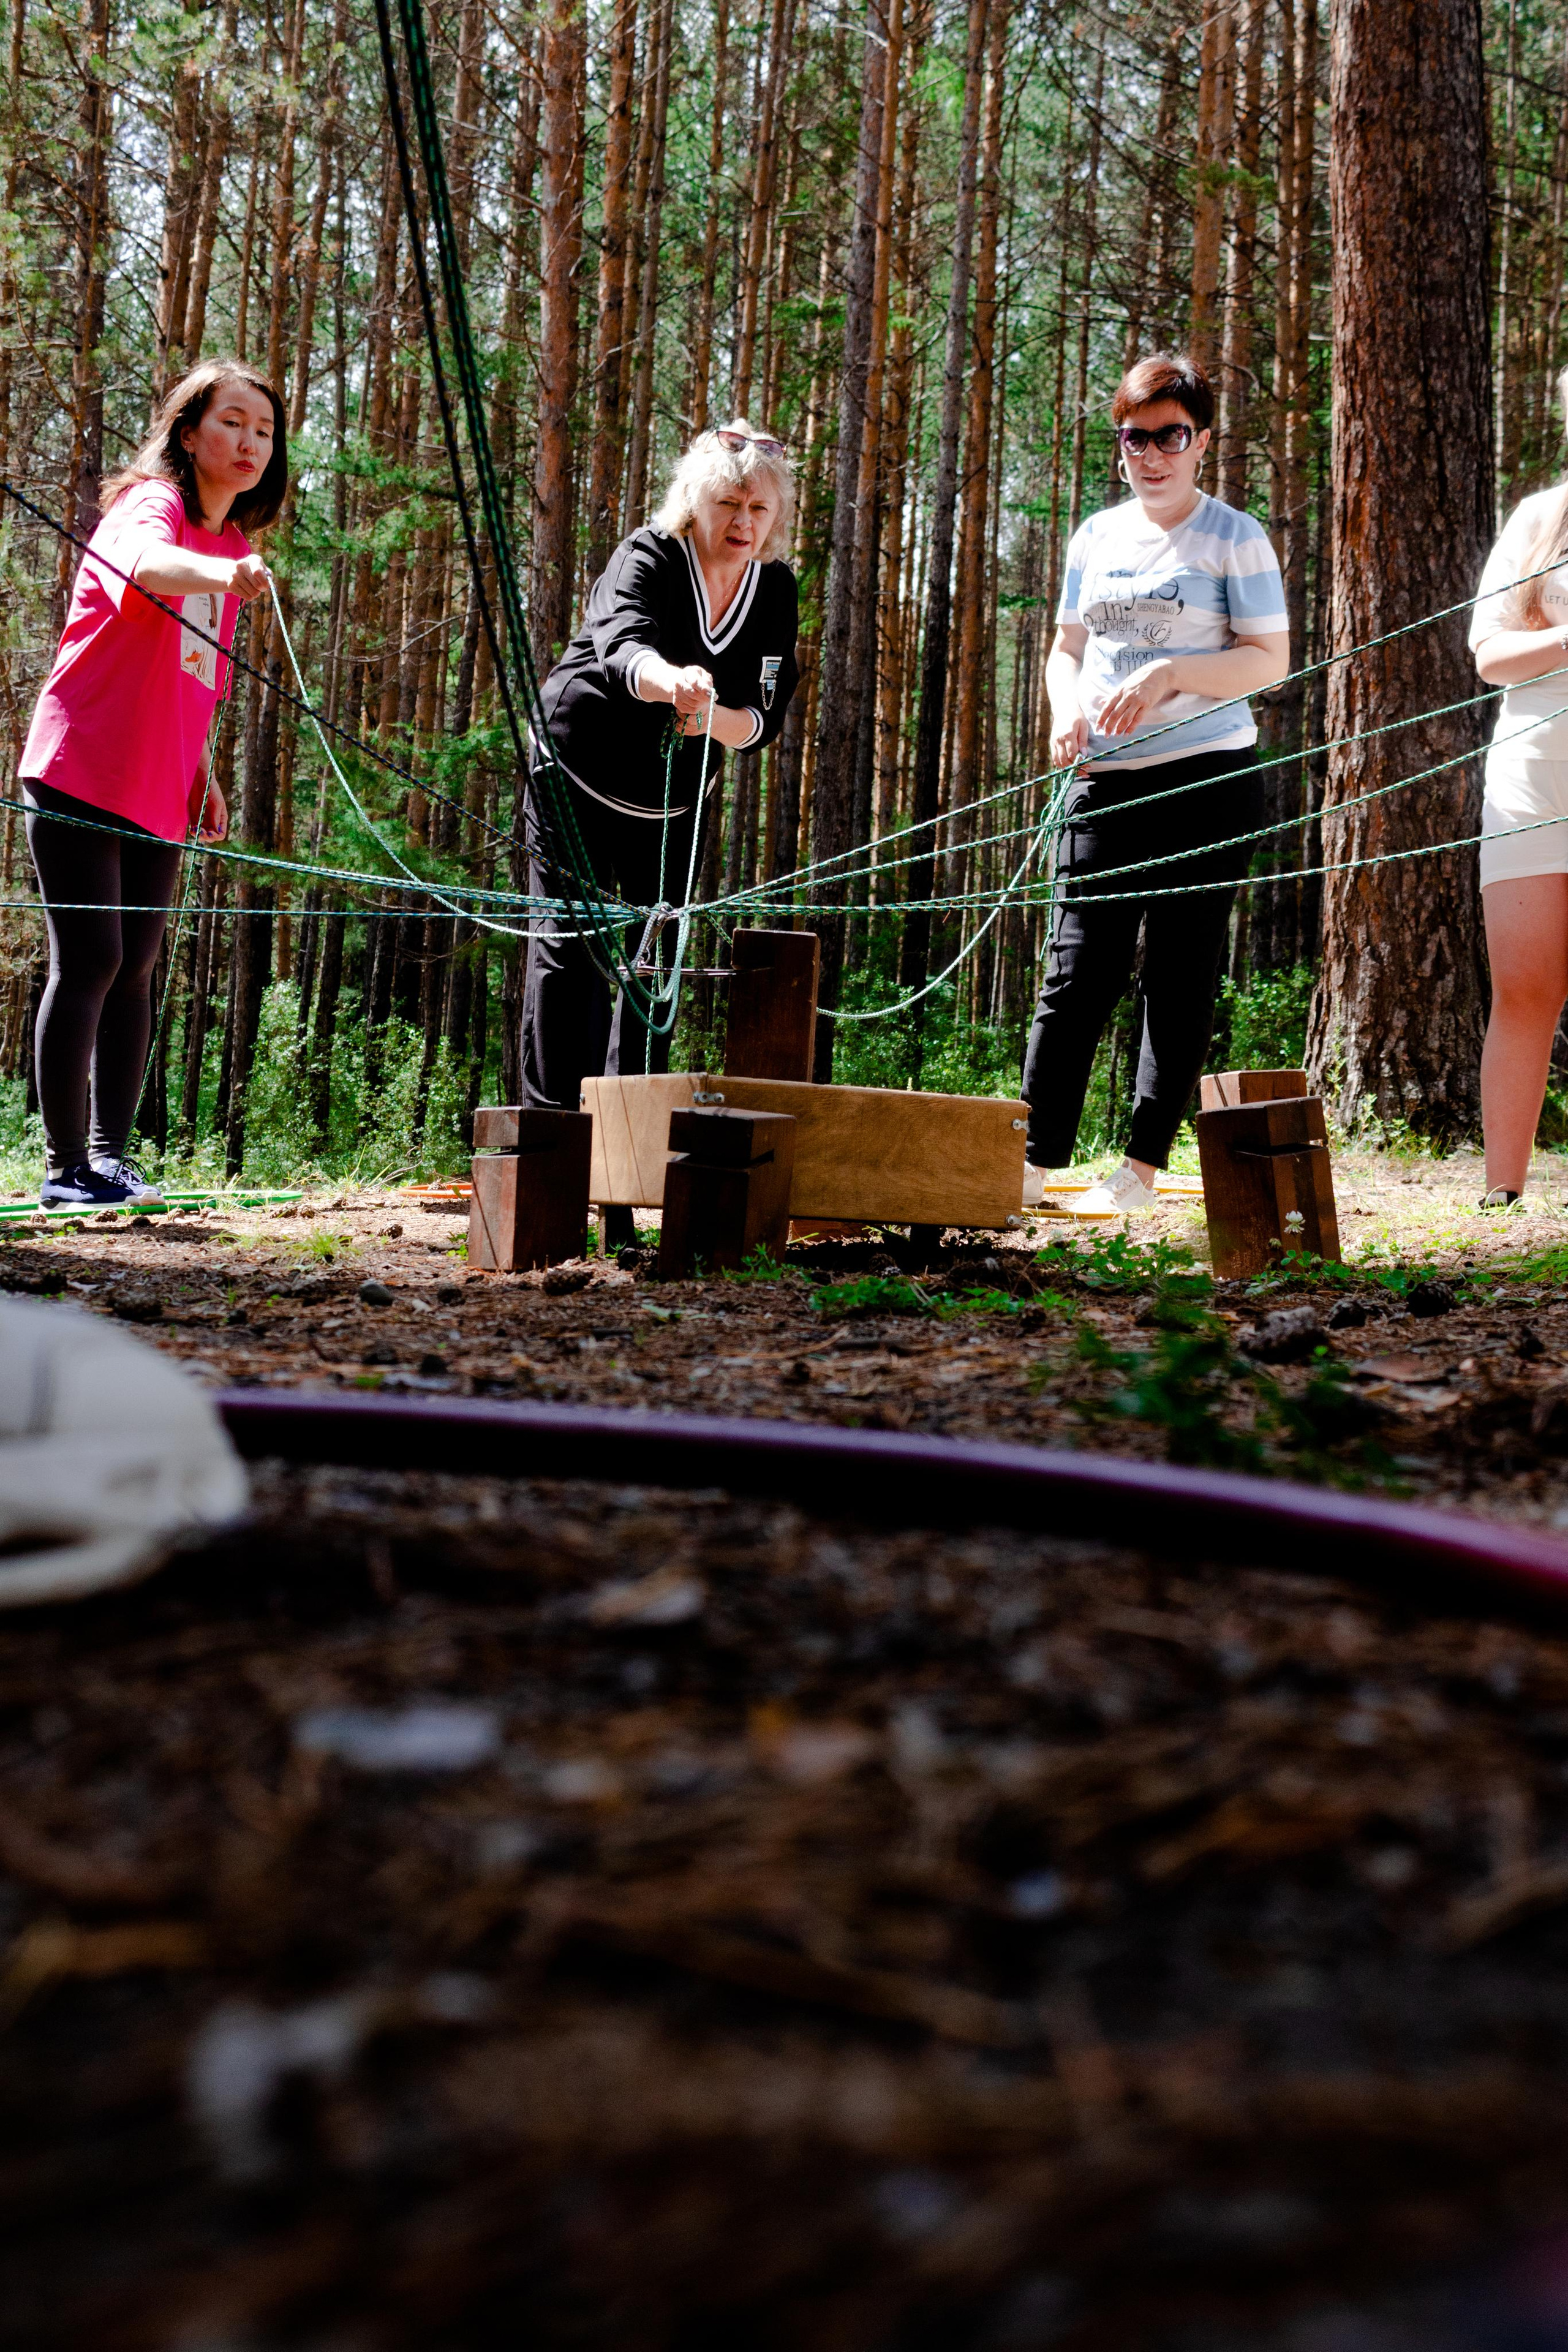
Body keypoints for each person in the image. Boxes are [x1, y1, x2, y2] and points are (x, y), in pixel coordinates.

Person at [1020, 352, 1289, 1215]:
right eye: (1134, 437)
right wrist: (1066, 710)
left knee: (1175, 978)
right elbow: (1067, 649)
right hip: (1104, 781)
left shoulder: (1234, 535)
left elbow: (1268, 663)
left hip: (1208, 782)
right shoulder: (1096, 536)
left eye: (1170, 435)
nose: (1151, 454)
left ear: (1202, 441)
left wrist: (1172, 672)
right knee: (1075, 973)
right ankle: (1031, 1162)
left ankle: (1139, 1168)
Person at [18, 358, 282, 1208]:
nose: (250, 443)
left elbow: (194, 671)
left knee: (136, 963)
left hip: (160, 784)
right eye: (233, 422)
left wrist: (201, 773)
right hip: (82, 762)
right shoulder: (151, 504)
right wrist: (222, 575)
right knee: (89, 957)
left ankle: (109, 1156)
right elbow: (144, 565)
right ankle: (65, 1169)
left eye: (265, 431)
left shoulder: (235, 544)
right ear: (189, 430)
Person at [523, 422, 800, 1138]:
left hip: (675, 800)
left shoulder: (774, 590)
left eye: (758, 509)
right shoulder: (648, 553)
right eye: (728, 504)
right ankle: (557, 1142)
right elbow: (621, 646)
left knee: (657, 960)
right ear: (694, 502)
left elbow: (764, 716)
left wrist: (712, 720)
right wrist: (670, 681)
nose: (742, 522)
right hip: (578, 772)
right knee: (573, 951)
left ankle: (632, 1140)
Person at [1469, 368, 1568, 1208]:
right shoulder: (1539, 519)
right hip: (1531, 783)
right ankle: (1502, 1192)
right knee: (1526, 986)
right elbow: (1489, 654)